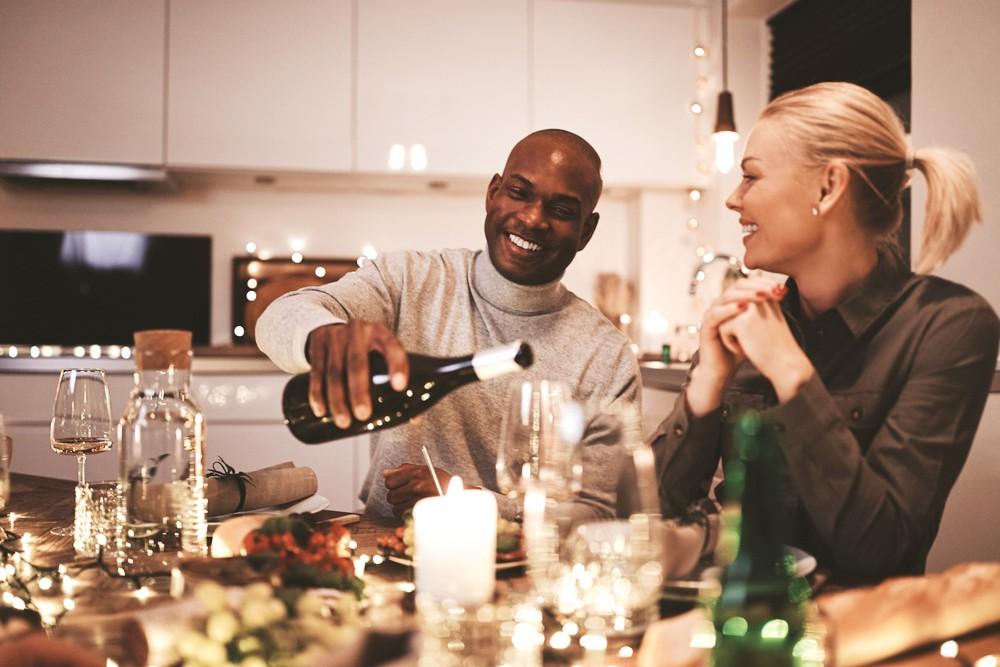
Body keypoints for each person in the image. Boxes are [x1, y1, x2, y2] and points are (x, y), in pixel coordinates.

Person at [651, 82, 999, 583]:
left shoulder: (949, 325)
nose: (732, 199)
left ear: (828, 186)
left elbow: (881, 551)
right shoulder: (749, 322)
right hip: (733, 628)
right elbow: (649, 522)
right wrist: (706, 388)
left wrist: (791, 372)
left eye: (751, 177)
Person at [257, 129, 640, 521]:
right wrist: (324, 336)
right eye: (519, 192)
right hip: (386, 548)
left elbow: (596, 513)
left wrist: (472, 499)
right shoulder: (410, 280)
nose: (532, 218)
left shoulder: (607, 356)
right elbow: (280, 316)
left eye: (560, 211)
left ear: (586, 232)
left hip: (528, 569)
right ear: (492, 193)